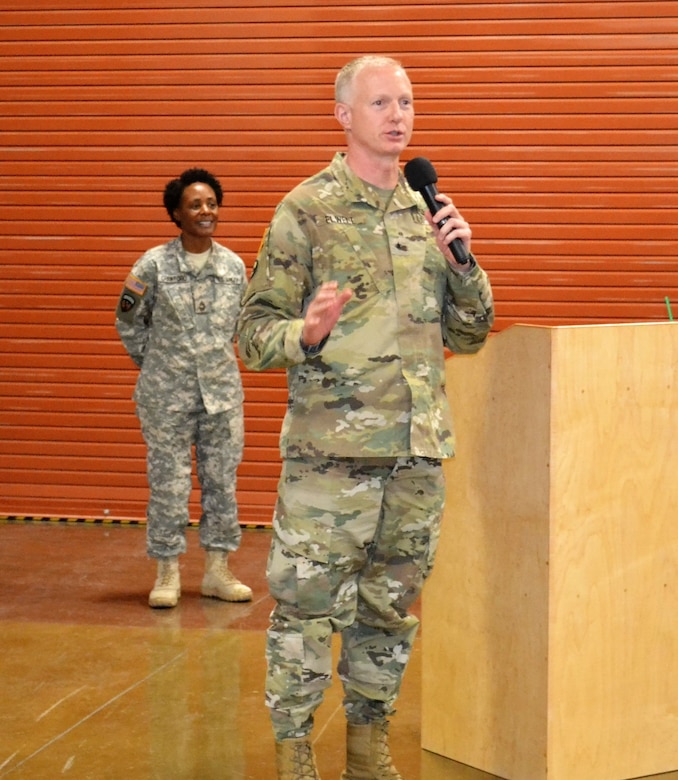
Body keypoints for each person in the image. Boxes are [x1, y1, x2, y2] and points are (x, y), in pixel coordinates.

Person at [237, 56, 494, 780]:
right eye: (380, 101)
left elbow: (471, 334)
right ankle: (294, 754)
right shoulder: (305, 211)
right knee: (306, 612)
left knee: (389, 613)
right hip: (330, 463)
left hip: (415, 458)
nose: (398, 114)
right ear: (344, 115)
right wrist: (306, 334)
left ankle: (366, 748)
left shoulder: (427, 212)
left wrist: (465, 265)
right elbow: (254, 334)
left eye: (407, 101)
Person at [115, 167, 252, 608]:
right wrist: (156, 366)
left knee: (221, 484)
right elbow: (128, 321)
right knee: (169, 484)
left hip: (221, 397)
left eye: (211, 203)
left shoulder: (233, 268)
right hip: (166, 398)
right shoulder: (151, 265)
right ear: (176, 213)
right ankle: (168, 574)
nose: (205, 211)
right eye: (195, 205)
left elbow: (243, 326)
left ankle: (216, 572)